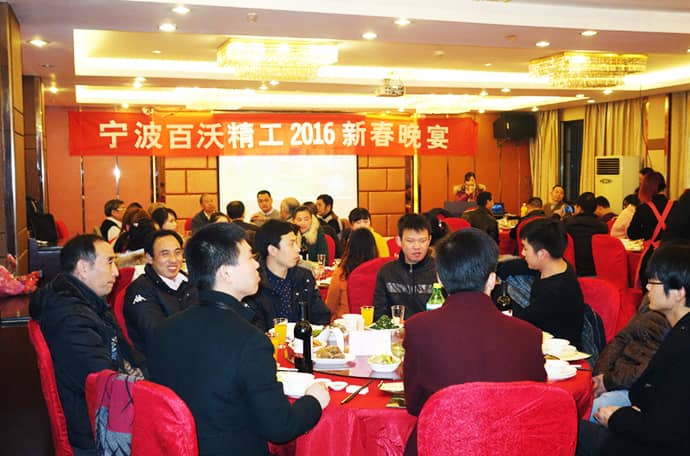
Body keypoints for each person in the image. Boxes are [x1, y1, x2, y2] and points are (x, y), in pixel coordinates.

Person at [147, 223, 329, 455]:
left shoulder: (165, 329)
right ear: (226, 273)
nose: (257, 264)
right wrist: (314, 400)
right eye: (250, 258)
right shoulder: (250, 341)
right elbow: (280, 427)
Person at [403, 228, 546, 456]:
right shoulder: (530, 335)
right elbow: (535, 405)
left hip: (440, 447)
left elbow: (414, 405)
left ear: (439, 278)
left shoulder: (418, 329)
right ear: (492, 280)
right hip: (510, 448)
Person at [29, 234, 143, 453]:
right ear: (82, 268)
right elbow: (103, 383)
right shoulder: (70, 317)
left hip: (104, 409)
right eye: (109, 262)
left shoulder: (87, 302)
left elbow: (126, 355)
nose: (116, 272)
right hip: (95, 428)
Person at [576, 243, 690, 456]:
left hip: (655, 445)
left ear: (679, 292)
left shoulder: (682, 345)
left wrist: (616, 418)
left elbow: (668, 431)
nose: (647, 287)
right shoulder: (679, 330)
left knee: (569, 429)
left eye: (653, 282)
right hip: (645, 422)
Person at [589, 297, 669, 423]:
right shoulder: (651, 301)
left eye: (655, 285)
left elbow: (650, 368)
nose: (649, 287)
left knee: (579, 414)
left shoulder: (675, 320)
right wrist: (601, 375)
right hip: (616, 378)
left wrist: (607, 381)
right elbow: (622, 338)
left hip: (636, 390)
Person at [123, 230, 197, 356]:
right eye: (165, 254)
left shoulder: (192, 282)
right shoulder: (140, 289)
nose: (173, 260)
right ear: (149, 258)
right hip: (163, 358)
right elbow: (157, 334)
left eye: (177, 252)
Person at [513, 217, 585, 348]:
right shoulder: (554, 265)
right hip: (542, 332)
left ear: (542, 254)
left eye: (525, 248)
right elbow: (515, 266)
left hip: (557, 349)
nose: (522, 253)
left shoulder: (557, 290)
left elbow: (521, 319)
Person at [247, 219, 331, 330]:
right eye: (291, 244)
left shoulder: (304, 277)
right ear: (272, 250)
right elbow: (255, 329)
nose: (298, 249)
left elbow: (321, 316)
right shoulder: (255, 283)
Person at [373, 214, 436, 321]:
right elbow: (379, 314)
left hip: (431, 329)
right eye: (410, 241)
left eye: (422, 241)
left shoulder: (440, 271)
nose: (417, 247)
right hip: (396, 329)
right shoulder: (386, 272)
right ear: (399, 241)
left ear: (429, 240)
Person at [628, 172, 672, 288]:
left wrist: (648, 235)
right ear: (664, 186)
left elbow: (632, 233)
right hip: (672, 255)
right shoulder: (676, 206)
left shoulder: (643, 208)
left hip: (651, 255)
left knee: (649, 290)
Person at [325, 227, 379, 320]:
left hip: (345, 321)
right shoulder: (381, 271)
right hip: (372, 321)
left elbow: (330, 307)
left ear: (349, 247)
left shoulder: (341, 273)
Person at [564, 192, 608, 277]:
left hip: (573, 270)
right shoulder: (603, 226)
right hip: (596, 270)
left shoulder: (568, 223)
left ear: (579, 208)